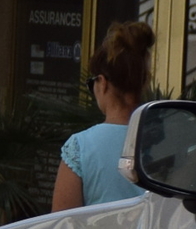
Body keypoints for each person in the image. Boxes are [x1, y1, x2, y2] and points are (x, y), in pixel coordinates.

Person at [53, 21, 152, 210]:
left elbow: (61, 226)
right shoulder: (165, 140)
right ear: (143, 83)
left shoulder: (79, 148)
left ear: (102, 82)